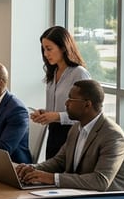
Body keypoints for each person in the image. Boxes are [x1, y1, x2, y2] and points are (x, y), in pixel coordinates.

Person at [15, 79, 124, 191]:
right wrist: (32, 169)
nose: (66, 103)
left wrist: (52, 178)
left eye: (71, 99)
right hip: (76, 194)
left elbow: (100, 181)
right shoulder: (75, 128)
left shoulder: (112, 135)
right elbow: (59, 161)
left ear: (87, 105)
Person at [30, 26, 91, 160]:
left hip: (72, 135)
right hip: (53, 134)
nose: (45, 54)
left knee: (63, 177)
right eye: (44, 49)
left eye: (49, 49)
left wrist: (57, 116)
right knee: (50, 176)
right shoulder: (53, 73)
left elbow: (85, 114)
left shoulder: (79, 73)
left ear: (63, 47)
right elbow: (57, 109)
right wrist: (45, 113)